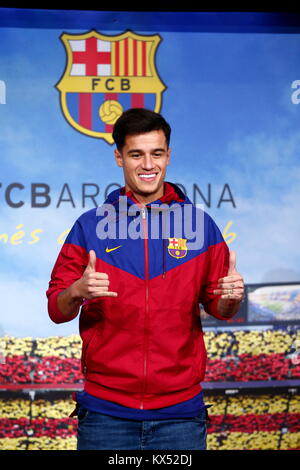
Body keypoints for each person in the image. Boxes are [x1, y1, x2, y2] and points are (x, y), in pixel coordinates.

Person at [46, 108, 244, 450]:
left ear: (168, 156)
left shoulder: (200, 225)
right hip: (106, 415)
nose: (147, 164)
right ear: (119, 157)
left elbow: (222, 309)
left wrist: (231, 296)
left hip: (180, 415)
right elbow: (56, 308)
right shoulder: (89, 226)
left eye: (156, 153)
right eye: (136, 154)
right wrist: (76, 291)